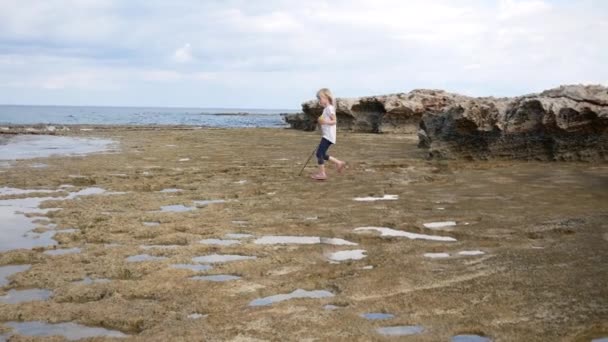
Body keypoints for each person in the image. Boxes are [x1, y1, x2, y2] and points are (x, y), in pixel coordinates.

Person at [311, 88, 346, 180]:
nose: (319, 100)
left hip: (329, 136)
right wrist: (321, 121)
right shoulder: (326, 109)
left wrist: (324, 121)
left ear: (326, 97)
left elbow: (334, 121)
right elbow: (324, 121)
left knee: (319, 154)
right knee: (321, 153)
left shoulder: (329, 108)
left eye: (320, 98)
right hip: (327, 135)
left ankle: (322, 174)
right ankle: (339, 163)